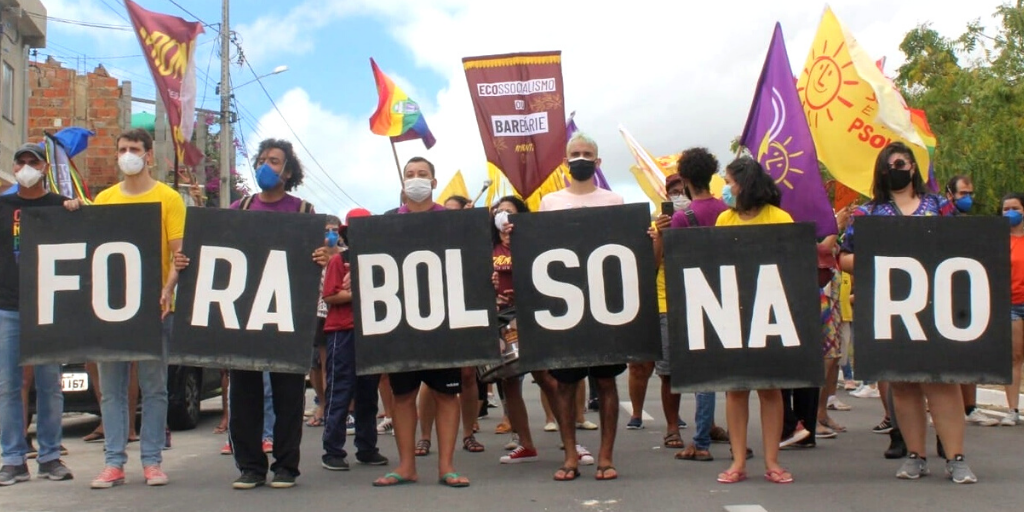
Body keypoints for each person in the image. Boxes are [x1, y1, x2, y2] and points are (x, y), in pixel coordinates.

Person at [171, 138, 325, 489]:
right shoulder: (239, 209)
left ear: (288, 172)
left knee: (288, 396)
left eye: (275, 161)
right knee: (243, 396)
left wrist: (323, 257)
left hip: (285, 316)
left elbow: (315, 258)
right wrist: (185, 260)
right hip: (242, 319)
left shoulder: (303, 212)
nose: (266, 166)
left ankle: (286, 467)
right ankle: (251, 467)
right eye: (262, 159)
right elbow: (214, 253)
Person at [838, 141, 976, 484]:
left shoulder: (940, 207)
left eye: (900, 163)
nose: (894, 170)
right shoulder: (867, 214)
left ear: (913, 167)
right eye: (888, 166)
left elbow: (966, 247)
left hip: (937, 307)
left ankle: (956, 458)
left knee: (942, 382)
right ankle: (915, 455)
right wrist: (878, 257)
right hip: (891, 309)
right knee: (902, 383)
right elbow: (844, 257)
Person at [65, 129, 184, 489]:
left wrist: (167, 290)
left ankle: (152, 461)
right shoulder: (105, 199)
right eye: (122, 149)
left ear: (149, 155)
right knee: (112, 389)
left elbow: (179, 255)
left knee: (154, 387)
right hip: (112, 309)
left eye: (134, 149)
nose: (127, 155)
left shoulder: (169, 198)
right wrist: (74, 212)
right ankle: (113, 463)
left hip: (155, 309)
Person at [372, 157, 469, 488]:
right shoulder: (386, 223)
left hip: (445, 322)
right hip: (400, 322)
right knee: (402, 396)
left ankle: (447, 467)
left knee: (446, 395)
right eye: (410, 174)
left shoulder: (453, 222)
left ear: (434, 182)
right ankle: (406, 466)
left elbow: (469, 264)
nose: (416, 179)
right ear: (403, 183)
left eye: (422, 174)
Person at [538, 133, 623, 482]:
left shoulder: (614, 201)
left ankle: (606, 456)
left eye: (588, 153)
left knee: (606, 381)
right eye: (575, 153)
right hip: (564, 304)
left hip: (605, 304)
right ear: (565, 162)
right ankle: (570, 455)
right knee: (565, 383)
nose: (581, 158)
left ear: (598, 162)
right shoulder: (549, 202)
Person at [713, 157, 792, 485]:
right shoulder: (724, 220)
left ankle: (772, 461)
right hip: (734, 313)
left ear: (744, 184)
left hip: (771, 314)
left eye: (728, 182)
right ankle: (738, 461)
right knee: (736, 389)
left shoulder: (780, 218)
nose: (725, 189)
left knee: (770, 388)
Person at [0, 143, 74, 485]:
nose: (27, 167)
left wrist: (77, 211)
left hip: (49, 308)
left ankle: (50, 456)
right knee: (8, 386)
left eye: (34, 161)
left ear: (45, 168)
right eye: (22, 162)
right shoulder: (2, 207)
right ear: (15, 168)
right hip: (8, 306)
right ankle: (13, 459)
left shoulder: (60, 206)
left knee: (50, 386)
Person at [667, 147, 731, 461]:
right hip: (729, 294)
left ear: (686, 179)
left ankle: (701, 441)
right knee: (733, 376)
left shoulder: (683, 218)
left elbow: (677, 263)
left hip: (697, 297)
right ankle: (737, 440)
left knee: (704, 374)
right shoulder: (727, 211)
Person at [491, 196, 562, 464]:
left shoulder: (533, 244)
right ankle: (526, 444)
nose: (503, 216)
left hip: (531, 317)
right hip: (501, 320)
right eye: (499, 212)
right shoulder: (488, 247)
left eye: (510, 212)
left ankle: (571, 441)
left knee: (546, 378)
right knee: (509, 382)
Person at [321, 208, 389, 471]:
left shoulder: (381, 261)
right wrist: (364, 293)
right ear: (347, 234)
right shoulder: (339, 261)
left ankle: (367, 447)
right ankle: (332, 450)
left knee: (368, 394)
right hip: (343, 332)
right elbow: (330, 296)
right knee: (340, 390)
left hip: (371, 331)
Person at [630, 173, 688, 449]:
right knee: (656, 368)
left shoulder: (696, 219)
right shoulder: (656, 225)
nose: (679, 196)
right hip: (662, 302)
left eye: (683, 191)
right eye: (673, 192)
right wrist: (661, 236)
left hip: (692, 299)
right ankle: (663, 423)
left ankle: (701, 423)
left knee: (685, 368)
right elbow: (651, 265)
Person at [1002, 192, 1024, 427]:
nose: (1010, 212)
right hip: (1012, 304)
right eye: (1006, 208)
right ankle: (1012, 409)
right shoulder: (998, 241)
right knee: (1014, 357)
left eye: (1015, 208)